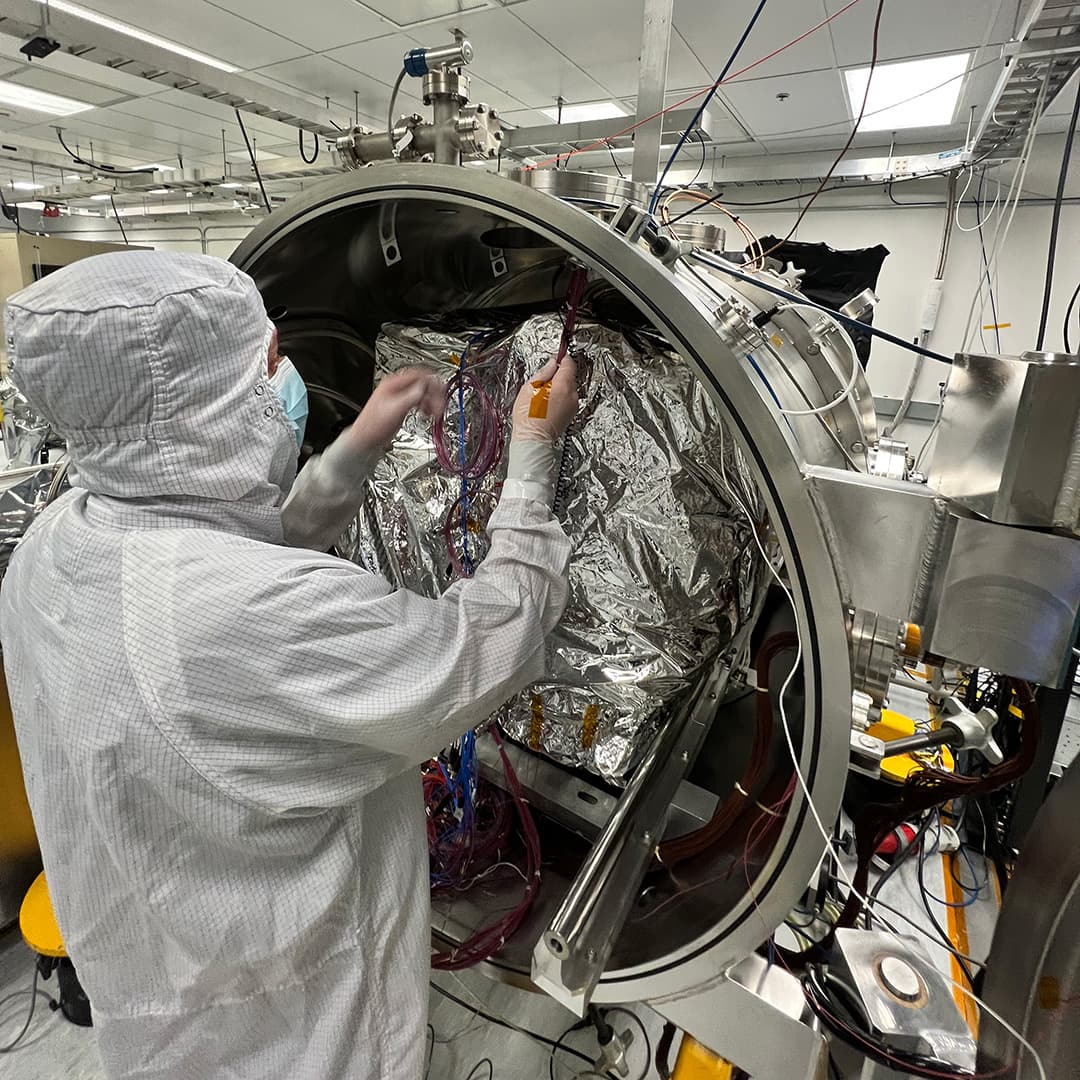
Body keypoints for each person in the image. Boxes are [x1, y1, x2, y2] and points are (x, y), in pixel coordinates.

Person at [0, 250, 577, 1079]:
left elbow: (216, 557)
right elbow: (483, 647)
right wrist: (534, 459)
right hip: (300, 1033)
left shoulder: (60, 545)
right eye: (269, 363)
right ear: (195, 403)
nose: (287, 376)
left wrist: (358, 445)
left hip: (164, 998)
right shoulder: (238, 615)